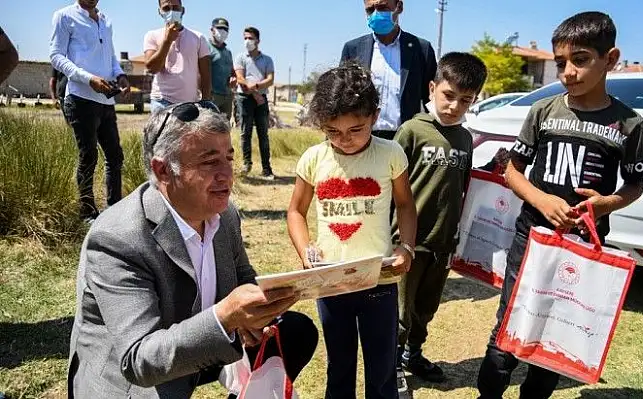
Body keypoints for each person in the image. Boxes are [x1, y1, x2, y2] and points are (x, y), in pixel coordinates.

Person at [68, 101, 318, 398]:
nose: (227, 175)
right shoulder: (118, 238)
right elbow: (140, 360)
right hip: (134, 381)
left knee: (295, 331)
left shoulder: (224, 217)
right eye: (209, 162)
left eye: (229, 158)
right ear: (163, 170)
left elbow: (243, 277)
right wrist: (226, 316)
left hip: (201, 345)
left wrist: (258, 316)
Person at [476, 12, 643, 399]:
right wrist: (542, 200)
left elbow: (635, 185)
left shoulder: (629, 123)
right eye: (560, 63)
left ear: (611, 58)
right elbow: (512, 172)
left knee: (555, 332)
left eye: (581, 59)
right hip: (532, 239)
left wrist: (607, 203)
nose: (568, 72)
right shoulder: (543, 112)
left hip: (583, 246)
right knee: (511, 322)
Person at [287, 63, 417, 399]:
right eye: (333, 132)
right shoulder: (313, 159)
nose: (344, 140)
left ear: (374, 116)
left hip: (380, 280)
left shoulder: (391, 154)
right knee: (340, 364)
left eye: (355, 130)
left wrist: (407, 247)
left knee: (382, 367)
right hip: (332, 283)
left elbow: (405, 205)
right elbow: (296, 212)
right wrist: (306, 251)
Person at [393, 52, 487, 384]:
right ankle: (392, 366)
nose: (454, 106)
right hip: (409, 242)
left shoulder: (465, 138)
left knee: (426, 308)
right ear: (432, 88)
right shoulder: (411, 131)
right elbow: (391, 185)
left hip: (443, 243)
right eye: (449, 95)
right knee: (401, 311)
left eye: (465, 100)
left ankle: (412, 355)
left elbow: (463, 187)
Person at [49, 0, 128, 222]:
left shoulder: (105, 20)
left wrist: (120, 74)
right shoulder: (64, 16)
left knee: (115, 156)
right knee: (89, 156)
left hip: (106, 101)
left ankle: (115, 210)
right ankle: (88, 213)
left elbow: (110, 57)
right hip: (80, 98)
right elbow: (56, 56)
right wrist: (88, 79)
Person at [340, 0, 437, 140]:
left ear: (399, 7)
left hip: (404, 140)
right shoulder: (353, 49)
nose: (375, 14)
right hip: (362, 140)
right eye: (370, 10)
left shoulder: (421, 49)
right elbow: (341, 97)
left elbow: (431, 99)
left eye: (382, 8)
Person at [144, 0, 212, 113]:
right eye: (166, 8)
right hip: (162, 102)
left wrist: (205, 101)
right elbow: (152, 68)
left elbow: (206, 75)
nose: (171, 12)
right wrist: (167, 40)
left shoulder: (198, 38)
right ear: (160, 12)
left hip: (190, 103)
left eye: (175, 7)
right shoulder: (152, 36)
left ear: (183, 10)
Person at [234, 26, 275, 179]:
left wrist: (257, 88)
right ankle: (246, 165)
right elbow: (240, 78)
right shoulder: (240, 58)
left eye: (250, 38)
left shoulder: (267, 59)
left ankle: (266, 169)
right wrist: (254, 93)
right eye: (245, 38)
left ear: (258, 40)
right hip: (244, 99)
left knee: (263, 134)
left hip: (261, 101)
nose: (247, 41)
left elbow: (270, 79)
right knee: (246, 132)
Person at [208, 17, 236, 119]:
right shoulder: (206, 47)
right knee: (211, 126)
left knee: (225, 128)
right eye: (219, 28)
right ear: (212, 30)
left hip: (227, 96)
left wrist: (234, 78)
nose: (223, 31)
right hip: (212, 96)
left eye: (225, 29)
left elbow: (232, 72)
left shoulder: (228, 52)